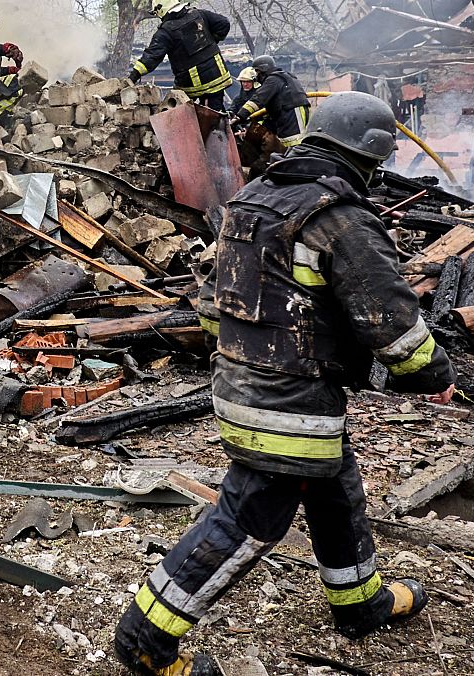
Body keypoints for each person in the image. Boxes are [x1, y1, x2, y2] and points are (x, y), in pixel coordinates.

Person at [113, 91, 455, 676]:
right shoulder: (338, 217)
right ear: (369, 156)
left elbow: (208, 304)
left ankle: (358, 601)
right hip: (290, 400)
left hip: (246, 386)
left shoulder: (253, 199)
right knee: (250, 517)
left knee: (333, 484)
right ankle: (145, 641)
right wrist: (430, 374)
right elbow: (389, 319)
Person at [129, 0, 233, 110]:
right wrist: (212, 40)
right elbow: (223, 23)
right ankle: (221, 126)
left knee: (179, 111)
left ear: (160, 10)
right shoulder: (199, 14)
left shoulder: (166, 32)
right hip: (218, 75)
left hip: (192, 84)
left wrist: (133, 77)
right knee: (215, 112)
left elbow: (151, 57)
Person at [230, 54, 312, 148]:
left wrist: (239, 117)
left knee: (295, 141)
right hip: (286, 113)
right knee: (285, 142)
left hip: (293, 111)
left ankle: (298, 160)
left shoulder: (273, 79)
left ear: (263, 69)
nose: (256, 75)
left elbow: (257, 100)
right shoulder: (277, 78)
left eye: (257, 71)